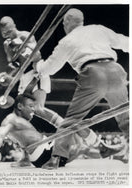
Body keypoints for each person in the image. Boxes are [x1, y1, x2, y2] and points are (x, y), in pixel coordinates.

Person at [35, 8, 129, 169]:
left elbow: (48, 69)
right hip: (116, 71)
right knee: (126, 118)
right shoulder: (98, 29)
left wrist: (38, 66)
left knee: (72, 120)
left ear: (67, 22)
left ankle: (58, 158)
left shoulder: (67, 41)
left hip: (92, 74)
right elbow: (125, 42)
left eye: (64, 22)